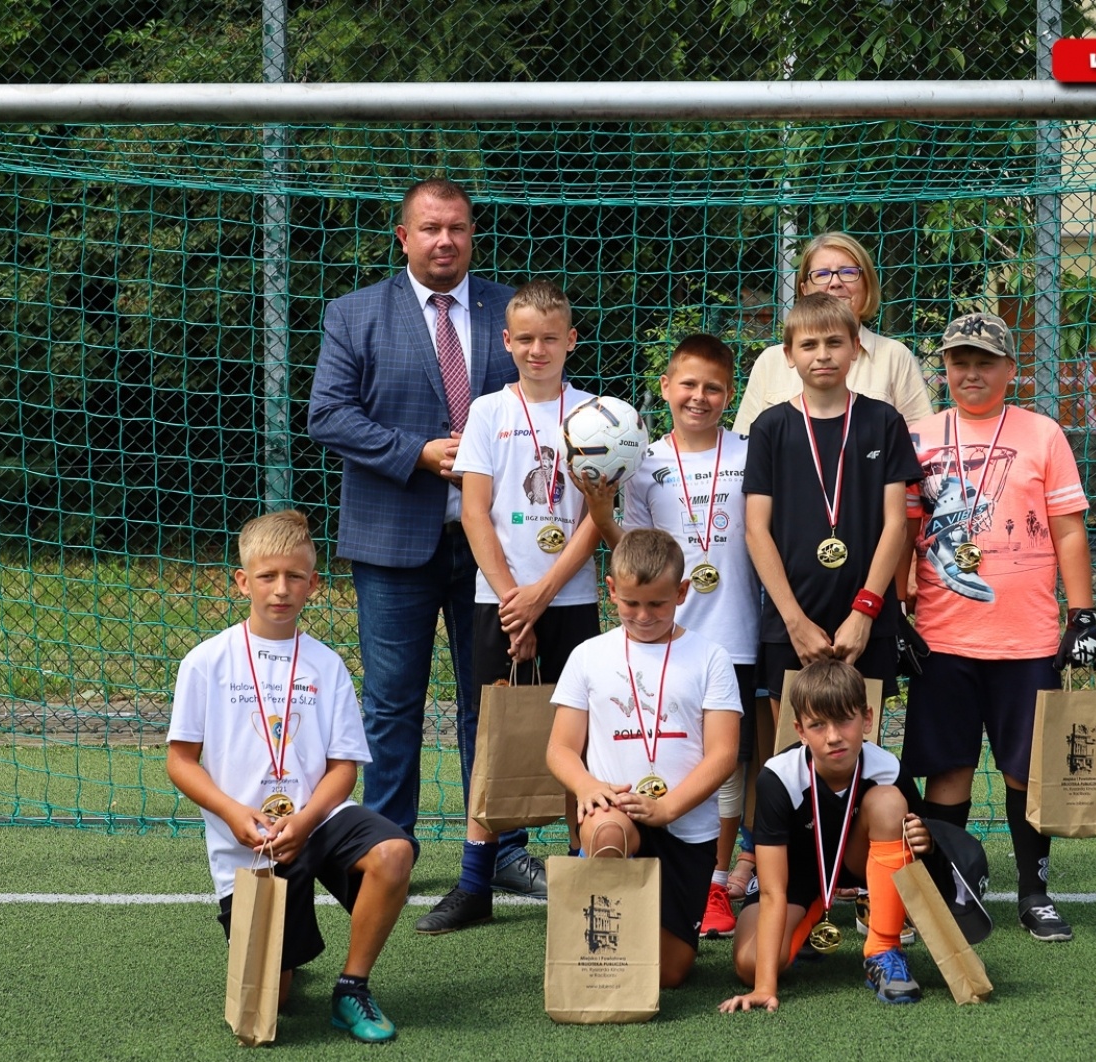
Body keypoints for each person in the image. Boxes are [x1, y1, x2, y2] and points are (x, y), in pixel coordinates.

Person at [307, 178, 546, 899]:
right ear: (403, 236)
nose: (446, 240)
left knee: (495, 699)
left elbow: (544, 405)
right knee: (390, 702)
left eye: (459, 229)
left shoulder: (512, 312)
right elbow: (329, 415)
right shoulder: (355, 314)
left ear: (473, 235)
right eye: (431, 228)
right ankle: (387, 847)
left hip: (494, 548)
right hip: (392, 541)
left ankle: (501, 846)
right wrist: (417, 451)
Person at [166, 510, 417, 1043]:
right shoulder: (205, 662)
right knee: (273, 1004)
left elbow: (343, 768)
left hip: (317, 820)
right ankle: (287, 957)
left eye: (295, 577)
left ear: (314, 584)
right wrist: (234, 813)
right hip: (250, 844)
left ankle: (352, 986)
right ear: (242, 581)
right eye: (267, 576)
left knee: (395, 851)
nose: (281, 590)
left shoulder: (327, 666)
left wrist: (305, 820)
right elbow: (180, 760)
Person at [901, 310, 1096, 942]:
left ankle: (1034, 892)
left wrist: (1083, 613)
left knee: (1026, 771)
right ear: (943, 368)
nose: (970, 373)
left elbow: (1069, 527)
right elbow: (903, 532)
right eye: (959, 361)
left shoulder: (1043, 434)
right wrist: (901, 607)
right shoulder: (919, 435)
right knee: (948, 770)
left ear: (1010, 370)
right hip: (943, 635)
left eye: (984, 362)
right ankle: (951, 889)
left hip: (1027, 638)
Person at [416, 280, 602, 933]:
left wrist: (543, 593)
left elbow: (596, 519)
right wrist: (509, 599)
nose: (537, 348)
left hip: (569, 596)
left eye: (550, 337)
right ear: (506, 342)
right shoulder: (490, 413)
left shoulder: (598, 415)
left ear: (571, 339)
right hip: (495, 598)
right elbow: (473, 510)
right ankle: (474, 883)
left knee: (587, 734)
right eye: (524, 338)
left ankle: (586, 874)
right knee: (495, 731)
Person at [576, 333, 758, 940]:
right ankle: (626, 865)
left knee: (731, 767)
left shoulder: (752, 454)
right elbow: (636, 556)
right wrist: (601, 514)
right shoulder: (643, 460)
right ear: (666, 389)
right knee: (664, 747)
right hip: (668, 637)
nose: (699, 397)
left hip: (738, 633)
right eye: (688, 385)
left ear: (729, 395)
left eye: (712, 388)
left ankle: (717, 880)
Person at [546, 528, 744, 988]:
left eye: (657, 604)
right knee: (608, 831)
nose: (643, 615)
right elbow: (559, 749)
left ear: (681, 591)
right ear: (611, 589)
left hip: (686, 827)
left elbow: (724, 753)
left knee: (668, 975)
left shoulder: (711, 657)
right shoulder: (588, 655)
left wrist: (668, 808)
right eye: (631, 603)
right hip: (616, 813)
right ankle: (597, 943)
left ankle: (634, 934)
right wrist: (587, 787)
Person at [743, 293, 922, 743]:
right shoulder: (770, 428)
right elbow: (755, 529)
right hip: (791, 625)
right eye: (808, 345)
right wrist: (794, 621)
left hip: (867, 622)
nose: (822, 354)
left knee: (863, 755)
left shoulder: (883, 421)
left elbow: (896, 526)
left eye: (834, 342)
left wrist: (864, 613)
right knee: (791, 756)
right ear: (788, 355)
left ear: (855, 348)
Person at [717, 659, 930, 1012]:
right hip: (798, 874)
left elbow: (921, 856)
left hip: (859, 864)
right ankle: (811, 915)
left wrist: (926, 839)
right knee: (750, 965)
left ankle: (883, 950)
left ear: (867, 719)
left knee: (890, 804)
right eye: (818, 725)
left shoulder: (889, 770)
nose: (833, 736)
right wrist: (765, 987)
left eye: (845, 720)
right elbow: (772, 889)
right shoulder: (777, 778)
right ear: (800, 730)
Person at [733, 231, 932, 434]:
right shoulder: (771, 361)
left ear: (866, 284)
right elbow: (745, 443)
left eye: (848, 272)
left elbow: (921, 442)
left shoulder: (894, 357)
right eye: (822, 274)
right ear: (804, 290)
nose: (835, 282)